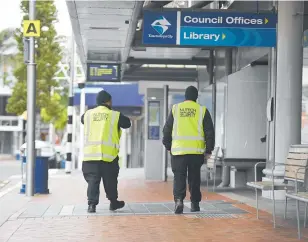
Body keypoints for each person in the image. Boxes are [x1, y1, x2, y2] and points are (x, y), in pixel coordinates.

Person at [162, 86, 215, 214]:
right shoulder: (202, 110)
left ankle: (179, 201)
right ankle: (195, 203)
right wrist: (208, 150)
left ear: (185, 96)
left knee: (179, 176)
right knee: (194, 178)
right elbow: (209, 132)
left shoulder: (176, 109)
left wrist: (168, 146)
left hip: (178, 151)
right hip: (196, 152)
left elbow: (167, 130)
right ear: (196, 97)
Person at [81, 90, 131, 213]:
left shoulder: (87, 115)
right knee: (111, 180)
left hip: (90, 156)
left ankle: (91, 205)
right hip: (108, 156)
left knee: (93, 180)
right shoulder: (115, 115)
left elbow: (83, 120)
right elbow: (127, 123)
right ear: (108, 101)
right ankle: (113, 203)